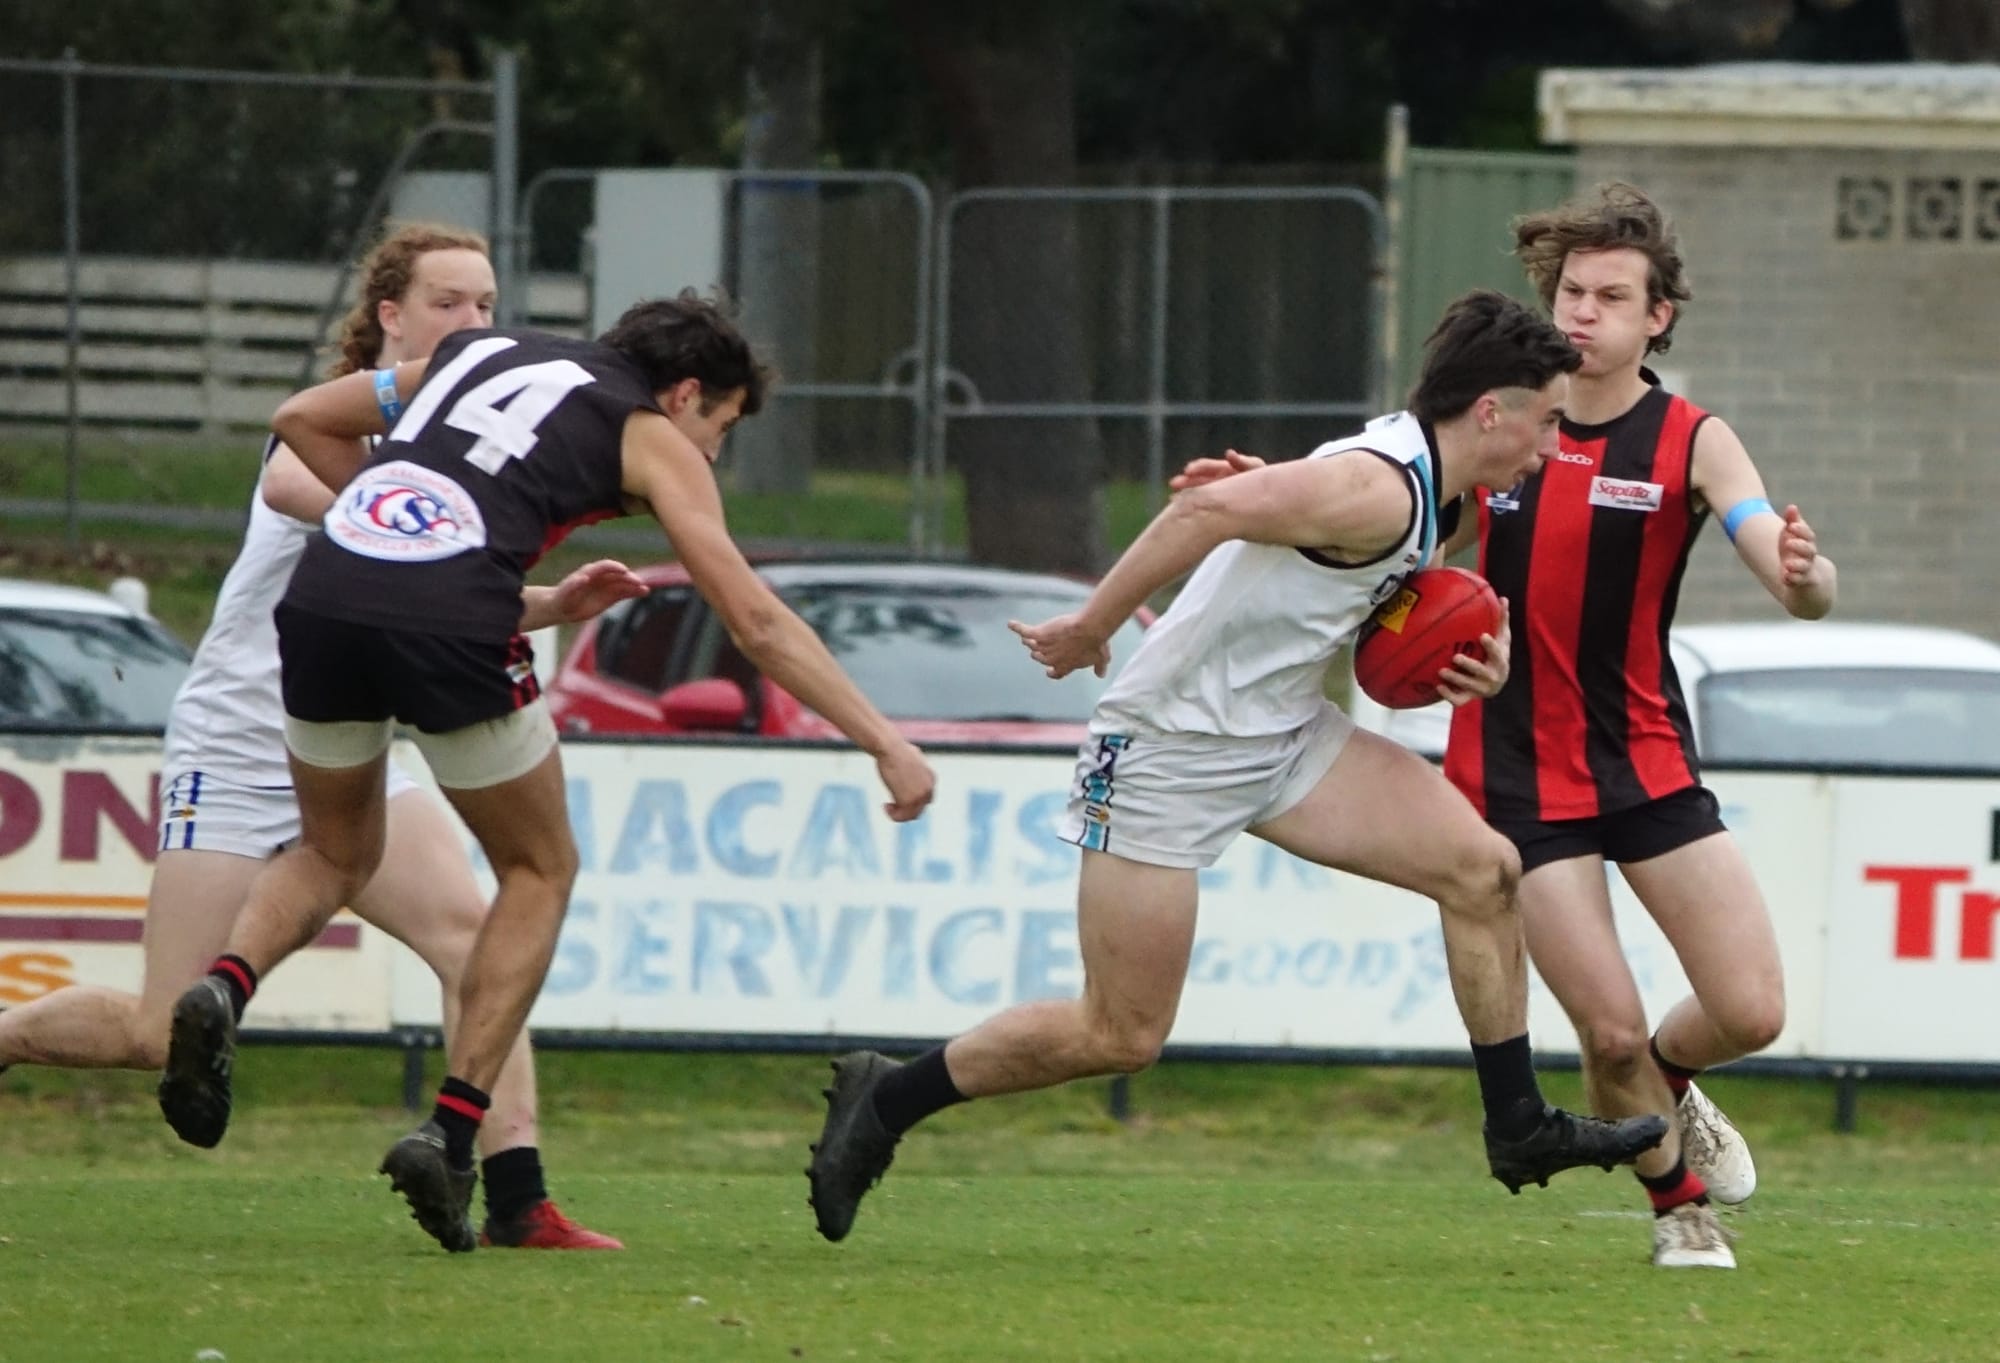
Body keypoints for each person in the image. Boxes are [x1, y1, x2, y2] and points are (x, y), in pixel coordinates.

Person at [803, 290, 1669, 1245]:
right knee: (1120, 1034)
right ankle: (886, 1099)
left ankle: (1518, 1124)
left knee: (1484, 869)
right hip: (1168, 748)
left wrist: (1475, 657)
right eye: (1546, 421)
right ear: (1491, 411)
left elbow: (1378, 583)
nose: (1551, 445)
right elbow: (1207, 507)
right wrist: (1091, 626)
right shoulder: (1377, 485)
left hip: (1284, 733)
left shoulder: (1439, 491)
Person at [156, 284, 938, 1254]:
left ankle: (226, 986)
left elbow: (301, 418)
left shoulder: (479, 352)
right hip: (451, 626)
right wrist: (882, 739)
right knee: (540, 868)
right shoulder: (649, 432)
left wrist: (379, 516)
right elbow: (754, 618)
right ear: (686, 391)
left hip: (324, 601)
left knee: (333, 849)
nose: (710, 453)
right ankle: (449, 1131)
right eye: (721, 428)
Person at [0, 223, 628, 1250]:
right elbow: (297, 485)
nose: (473, 323)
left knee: (477, 940)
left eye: (484, 304)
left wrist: (551, 601)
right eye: (447, 304)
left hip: (353, 748)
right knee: (163, 1028)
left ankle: (518, 1196)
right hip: (244, 743)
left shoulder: (455, 439)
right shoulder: (340, 422)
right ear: (390, 316)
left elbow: (446, 594)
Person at [1442, 183, 1836, 1268]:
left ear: (1656, 317)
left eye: (1611, 296)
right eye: (1570, 291)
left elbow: (1779, 559)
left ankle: (1669, 1077)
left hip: (1643, 756)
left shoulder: (1693, 440)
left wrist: (1806, 578)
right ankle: (1679, 1208)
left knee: (1749, 1008)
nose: (1583, 313)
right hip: (1516, 771)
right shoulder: (1498, 414)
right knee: (1602, 1028)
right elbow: (1399, 546)